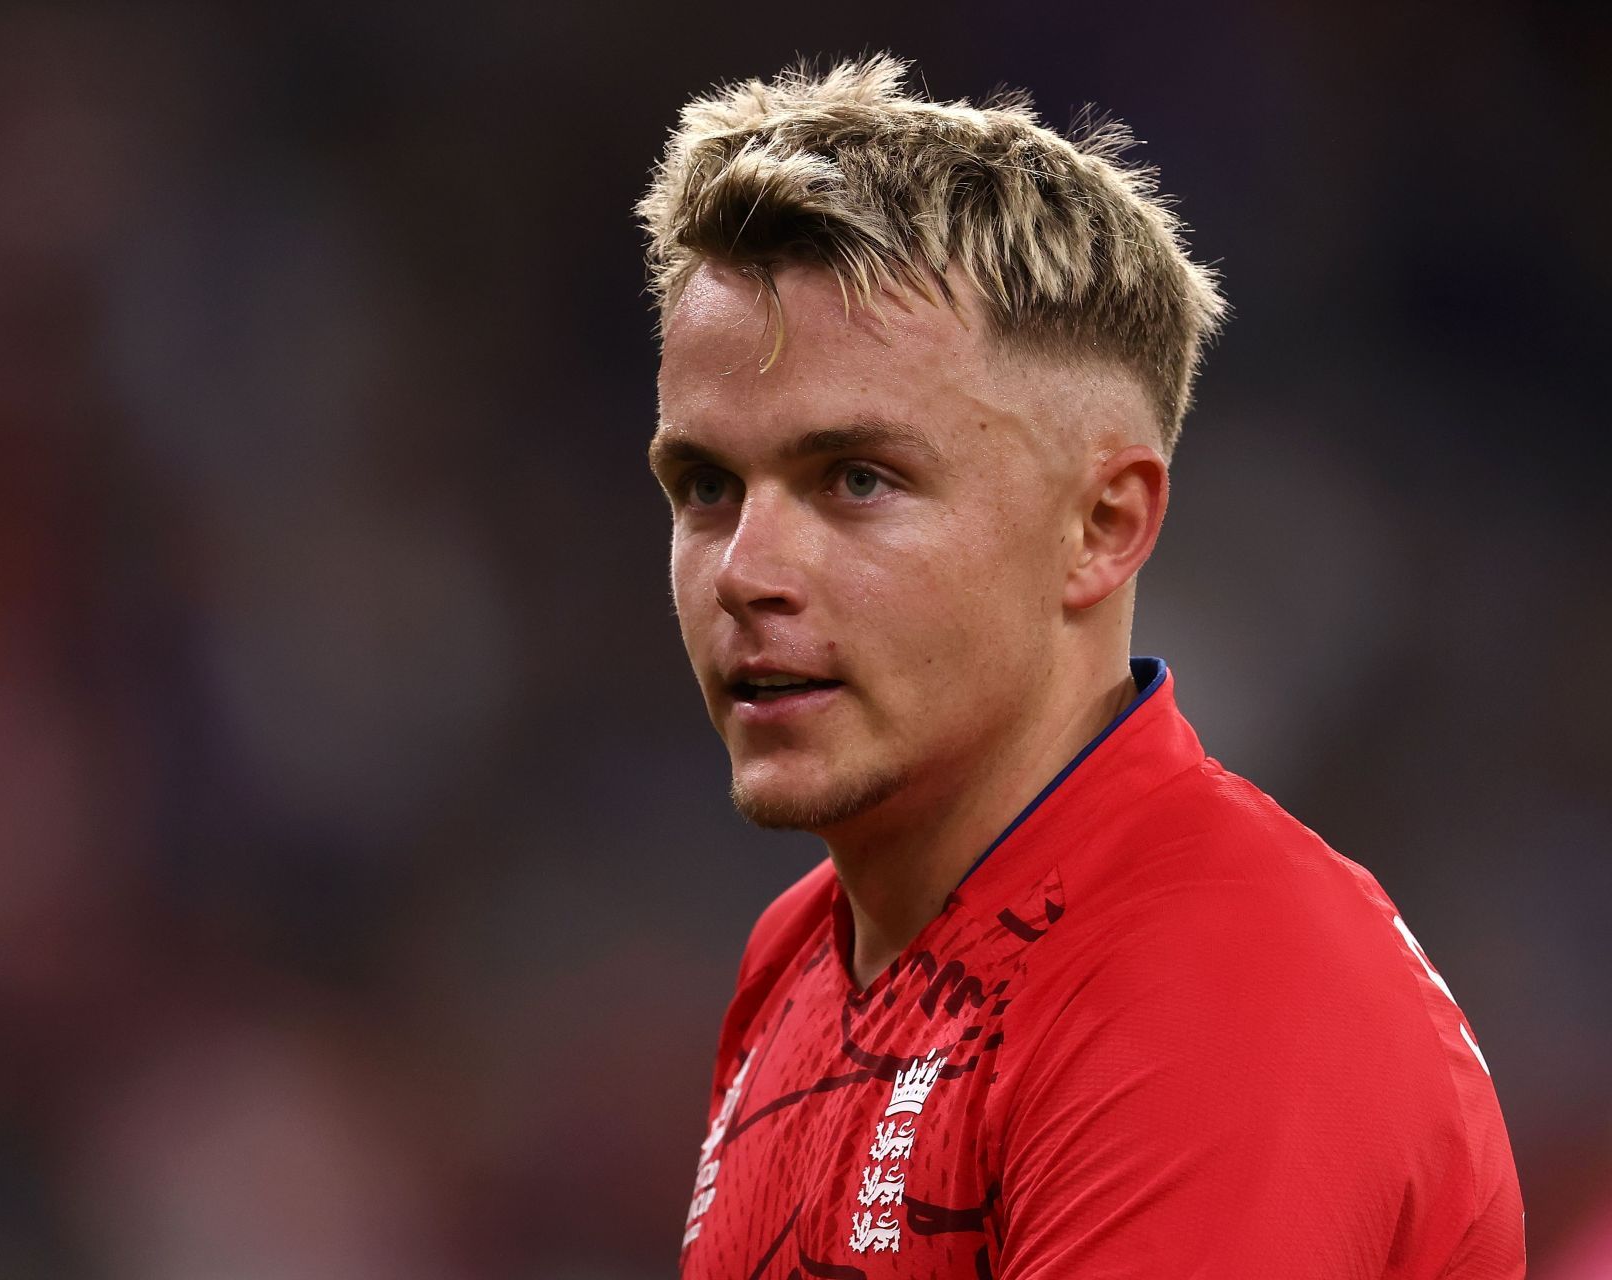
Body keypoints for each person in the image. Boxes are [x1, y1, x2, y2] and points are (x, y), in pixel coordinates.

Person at [639, 56, 1524, 1278]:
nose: (745, 568)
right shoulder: (799, 955)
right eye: (706, 486)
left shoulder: (1221, 987)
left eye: (858, 478)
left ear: (1103, 526)